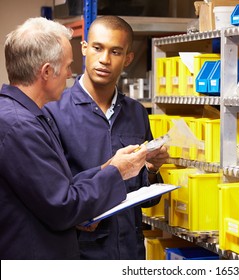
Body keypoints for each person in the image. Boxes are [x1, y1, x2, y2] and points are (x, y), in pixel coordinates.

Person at [0, 17, 149, 260]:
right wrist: (116, 172)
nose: (70, 74)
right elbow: (63, 205)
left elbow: (61, 185)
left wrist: (109, 167)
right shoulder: (20, 126)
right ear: (47, 71)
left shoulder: (29, 118)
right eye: (67, 66)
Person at [44, 16, 169, 259]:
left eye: (116, 52)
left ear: (127, 59)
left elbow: (146, 201)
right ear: (84, 48)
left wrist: (152, 170)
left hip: (130, 252)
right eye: (97, 48)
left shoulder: (136, 113)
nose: (104, 59)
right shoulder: (54, 111)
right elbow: (51, 194)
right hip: (81, 254)